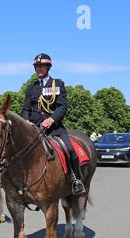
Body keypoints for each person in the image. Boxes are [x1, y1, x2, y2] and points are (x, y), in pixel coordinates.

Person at [21, 53, 86, 195]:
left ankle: (76, 179)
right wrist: (26, 120)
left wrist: (51, 119)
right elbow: (26, 109)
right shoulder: (31, 88)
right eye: (37, 66)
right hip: (35, 128)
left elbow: (62, 106)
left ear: (48, 67)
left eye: (42, 66)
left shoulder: (58, 84)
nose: (39, 69)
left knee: (70, 149)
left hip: (54, 128)